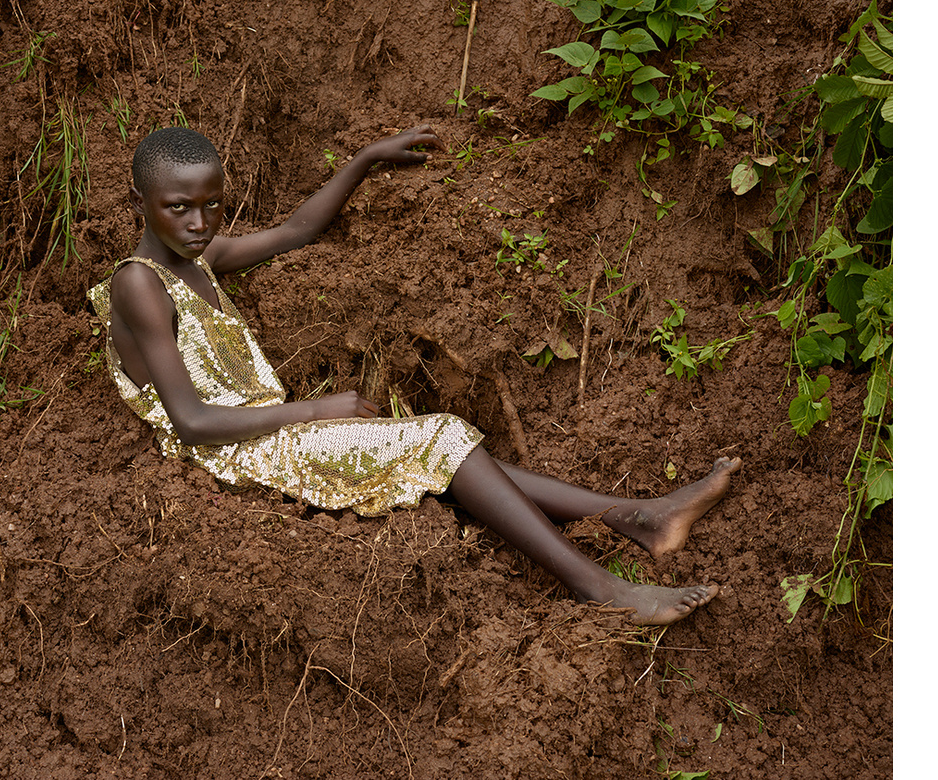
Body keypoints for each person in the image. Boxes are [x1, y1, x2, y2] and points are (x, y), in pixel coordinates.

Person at [88, 124, 740, 626]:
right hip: (236, 452)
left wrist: (366, 158)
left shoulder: (198, 259)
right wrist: (314, 411)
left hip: (267, 434)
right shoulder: (140, 286)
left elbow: (297, 229)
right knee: (442, 437)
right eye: (179, 207)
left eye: (211, 206)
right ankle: (600, 586)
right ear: (140, 201)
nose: (200, 224)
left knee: (456, 458)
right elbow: (193, 423)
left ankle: (638, 516)